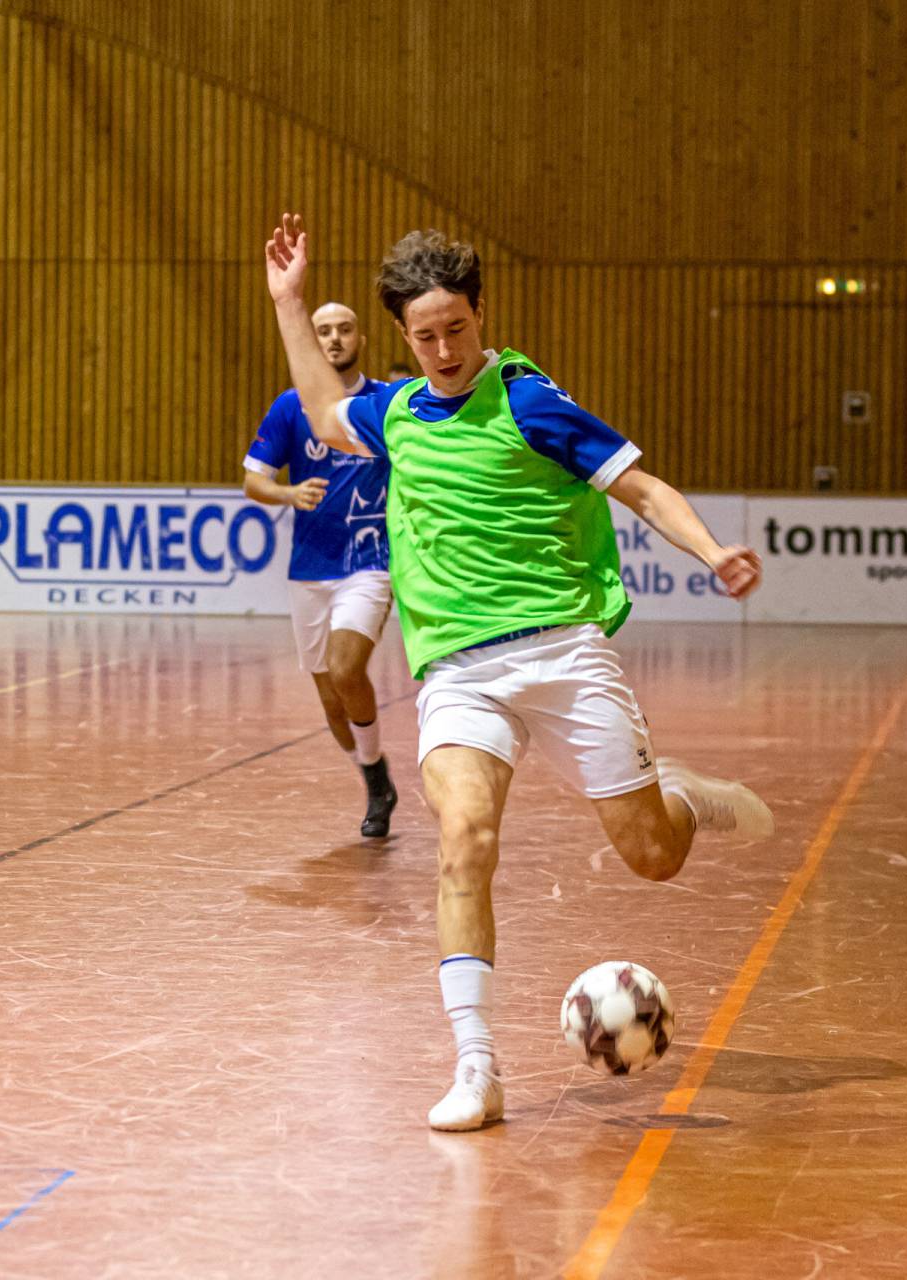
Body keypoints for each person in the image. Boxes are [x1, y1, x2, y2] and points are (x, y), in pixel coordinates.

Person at [263, 215, 774, 1132]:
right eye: (426, 335)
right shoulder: (394, 414)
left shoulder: (530, 402)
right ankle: (477, 1067)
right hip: (459, 673)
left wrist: (711, 552)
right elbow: (321, 408)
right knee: (465, 838)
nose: (445, 350)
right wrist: (289, 304)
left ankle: (681, 799)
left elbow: (643, 488)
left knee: (652, 857)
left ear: (481, 314)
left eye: (457, 328)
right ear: (404, 336)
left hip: (563, 654)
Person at [243, 301, 398, 838]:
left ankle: (375, 780)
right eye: (323, 331)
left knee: (345, 668)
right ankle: (374, 775)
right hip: (310, 566)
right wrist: (288, 493)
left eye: (344, 329)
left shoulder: (385, 403)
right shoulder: (290, 407)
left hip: (371, 561)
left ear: (362, 338)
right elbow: (253, 480)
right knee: (332, 703)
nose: (334, 338)